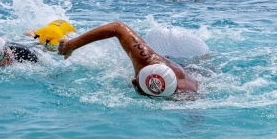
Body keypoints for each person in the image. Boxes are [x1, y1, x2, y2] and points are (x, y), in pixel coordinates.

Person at [58, 22, 198, 97]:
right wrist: (72, 44)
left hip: (187, 69)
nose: (132, 80)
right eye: (137, 76)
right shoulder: (145, 59)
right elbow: (117, 28)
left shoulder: (187, 94)